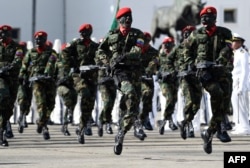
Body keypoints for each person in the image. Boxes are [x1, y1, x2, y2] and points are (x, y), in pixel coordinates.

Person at [98, 7, 146, 155]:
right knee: (130, 94)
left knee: (133, 104)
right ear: (119, 20)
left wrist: (124, 57)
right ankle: (136, 125)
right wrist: (108, 63)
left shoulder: (138, 34)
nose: (128, 21)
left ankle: (122, 133)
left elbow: (138, 49)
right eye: (125, 18)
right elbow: (100, 51)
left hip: (135, 72)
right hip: (120, 73)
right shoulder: (111, 35)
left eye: (130, 18)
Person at [185, 6, 232, 154]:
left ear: (214, 18)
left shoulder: (225, 32)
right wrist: (190, 63)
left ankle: (210, 132)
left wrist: (221, 58)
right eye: (203, 18)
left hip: (222, 72)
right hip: (205, 73)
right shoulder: (195, 34)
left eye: (208, 17)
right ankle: (218, 129)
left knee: (225, 103)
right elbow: (187, 50)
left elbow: (228, 47)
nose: (205, 20)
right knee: (216, 94)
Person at [61, 23, 99, 144]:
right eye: (81, 33)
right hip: (79, 76)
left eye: (85, 32)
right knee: (84, 92)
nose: (82, 35)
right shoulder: (76, 44)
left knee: (89, 105)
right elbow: (65, 53)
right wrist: (71, 65)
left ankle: (82, 128)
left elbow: (101, 57)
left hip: (91, 77)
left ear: (89, 33)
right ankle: (80, 123)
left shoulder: (95, 46)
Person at [19, 30, 57, 140]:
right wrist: (22, 75)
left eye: (40, 39)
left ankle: (40, 122)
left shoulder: (52, 52)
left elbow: (52, 63)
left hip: (49, 82)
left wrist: (48, 73)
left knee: (51, 104)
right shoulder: (31, 52)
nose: (37, 41)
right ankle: (45, 127)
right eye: (36, 39)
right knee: (41, 104)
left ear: (45, 40)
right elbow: (24, 65)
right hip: (36, 81)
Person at [168, 25, 202, 139]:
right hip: (184, 77)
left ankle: (186, 122)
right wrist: (173, 71)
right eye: (185, 33)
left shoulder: (199, 47)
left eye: (190, 33)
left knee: (196, 104)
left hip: (197, 77)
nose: (187, 35)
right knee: (189, 101)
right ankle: (190, 127)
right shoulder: (179, 47)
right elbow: (168, 60)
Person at [0, 25, 23, 146]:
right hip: (0, 79)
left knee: (8, 108)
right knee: (2, 97)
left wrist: (8, 67)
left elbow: (18, 60)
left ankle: (3, 129)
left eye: (5, 33)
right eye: (1, 33)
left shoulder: (17, 47)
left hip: (11, 79)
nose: (2, 36)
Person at [157, 37, 178, 135]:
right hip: (164, 82)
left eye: (168, 44)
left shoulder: (176, 55)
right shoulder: (160, 55)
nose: (165, 46)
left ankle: (167, 120)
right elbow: (153, 66)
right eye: (164, 44)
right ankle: (167, 121)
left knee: (173, 101)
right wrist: (157, 73)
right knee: (169, 98)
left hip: (174, 81)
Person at [138, 32, 159, 131]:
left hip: (147, 80)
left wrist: (153, 71)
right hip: (135, 79)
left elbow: (157, 65)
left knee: (147, 97)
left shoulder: (154, 52)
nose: (145, 43)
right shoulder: (135, 51)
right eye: (144, 41)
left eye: (147, 41)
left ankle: (144, 118)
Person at [55, 43, 77, 136]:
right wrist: (58, 80)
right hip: (61, 86)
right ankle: (68, 117)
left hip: (71, 85)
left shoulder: (73, 61)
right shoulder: (57, 61)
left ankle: (65, 126)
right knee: (68, 96)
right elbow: (52, 74)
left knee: (72, 103)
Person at [95, 40, 116, 137]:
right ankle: (107, 122)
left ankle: (102, 121)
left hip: (112, 81)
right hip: (103, 81)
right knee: (107, 101)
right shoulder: (98, 53)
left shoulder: (113, 53)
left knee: (111, 103)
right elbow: (98, 63)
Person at [230, 33, 250, 135]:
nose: (232, 43)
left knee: (241, 105)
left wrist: (242, 86)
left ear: (239, 43)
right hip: (235, 82)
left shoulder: (243, 53)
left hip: (239, 83)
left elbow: (245, 71)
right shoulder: (236, 53)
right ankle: (239, 125)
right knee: (236, 104)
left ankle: (245, 127)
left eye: (234, 41)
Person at [16, 41, 32, 133]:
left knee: (28, 101)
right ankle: (21, 118)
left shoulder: (29, 57)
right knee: (22, 98)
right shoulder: (16, 57)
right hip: (19, 82)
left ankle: (23, 116)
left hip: (29, 81)